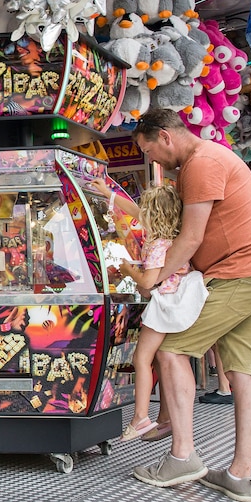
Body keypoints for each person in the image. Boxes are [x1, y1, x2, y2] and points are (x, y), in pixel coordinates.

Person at [129, 108, 251, 502]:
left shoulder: (202, 163)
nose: (154, 162)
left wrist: (155, 278)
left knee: (171, 350)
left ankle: (182, 456)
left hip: (238, 275)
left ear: (165, 136)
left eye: (151, 152)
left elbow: (191, 238)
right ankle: (238, 477)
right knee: (244, 373)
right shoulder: (214, 158)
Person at [102, 185, 206, 441]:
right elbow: (136, 211)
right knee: (161, 359)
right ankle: (164, 417)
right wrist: (110, 195)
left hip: (165, 307)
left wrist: (127, 269)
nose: (140, 215)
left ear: (154, 215)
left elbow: (148, 283)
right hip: (175, 303)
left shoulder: (158, 244)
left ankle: (140, 417)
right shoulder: (172, 235)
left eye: (145, 211)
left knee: (141, 358)